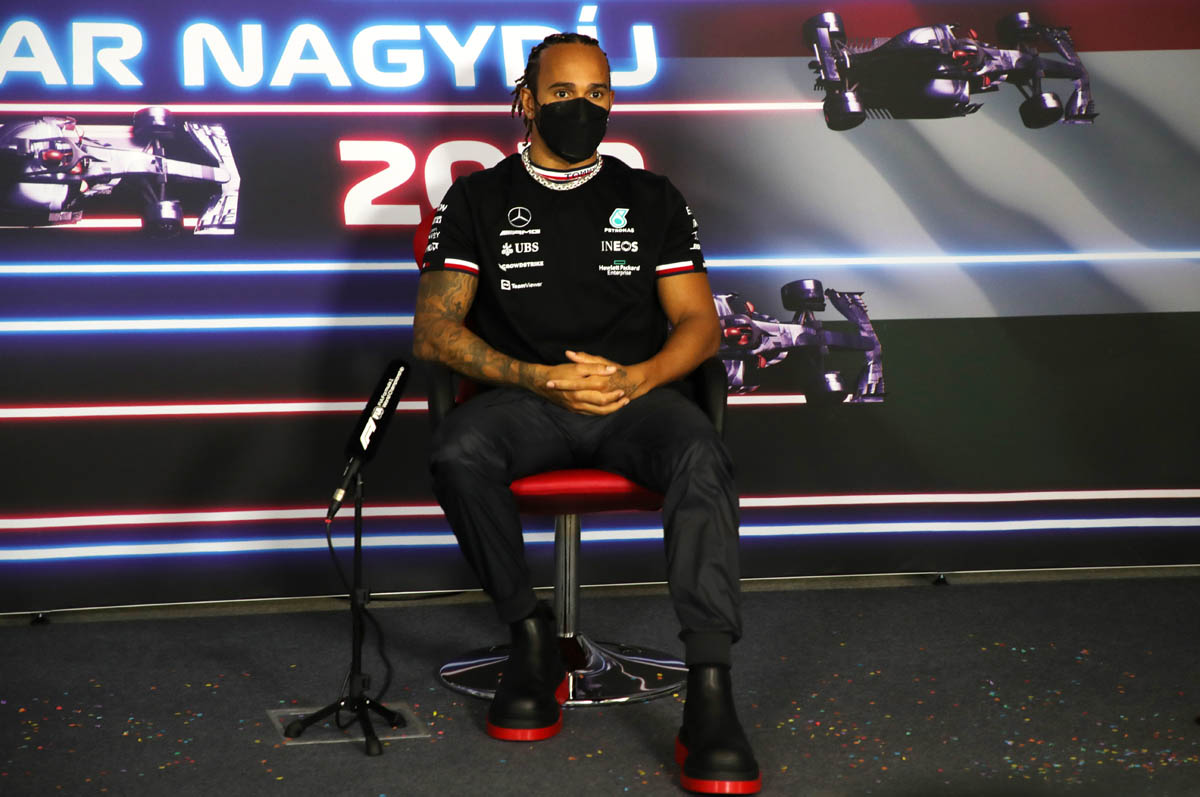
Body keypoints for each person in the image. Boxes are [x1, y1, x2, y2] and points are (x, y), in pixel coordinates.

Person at [412, 32, 760, 794]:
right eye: (562, 94)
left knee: (701, 452)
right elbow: (434, 331)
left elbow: (700, 324)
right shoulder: (475, 199)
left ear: (612, 100)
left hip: (635, 401)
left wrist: (640, 377)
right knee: (457, 450)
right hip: (525, 402)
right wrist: (542, 378)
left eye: (596, 93)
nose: (581, 107)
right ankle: (530, 634)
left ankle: (710, 693)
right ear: (528, 101)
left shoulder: (653, 197)